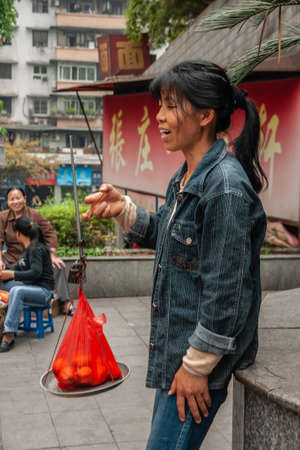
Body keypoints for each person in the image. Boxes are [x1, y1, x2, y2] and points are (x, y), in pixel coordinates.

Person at [81, 60, 267, 449]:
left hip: (195, 364)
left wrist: (196, 368)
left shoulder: (225, 189)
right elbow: (172, 236)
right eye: (160, 105)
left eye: (170, 105)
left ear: (204, 115)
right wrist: (125, 210)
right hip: (177, 355)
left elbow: (226, 293)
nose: (159, 116)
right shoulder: (185, 175)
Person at [0, 187, 73, 315]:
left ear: (25, 199)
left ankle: (65, 303)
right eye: (12, 199)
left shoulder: (35, 215)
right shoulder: (2, 217)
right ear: (7, 201)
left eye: (18, 198)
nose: (15, 201)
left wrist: (52, 254)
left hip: (34, 258)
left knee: (58, 266)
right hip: (12, 258)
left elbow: (49, 233)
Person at [0, 216, 54, 352]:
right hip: (31, 288)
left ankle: (9, 335)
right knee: (6, 286)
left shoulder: (36, 248)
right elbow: (17, 269)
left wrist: (11, 275)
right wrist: (4, 274)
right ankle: (5, 325)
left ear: (18, 233)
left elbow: (36, 273)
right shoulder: (27, 249)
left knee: (17, 290)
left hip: (43, 292)